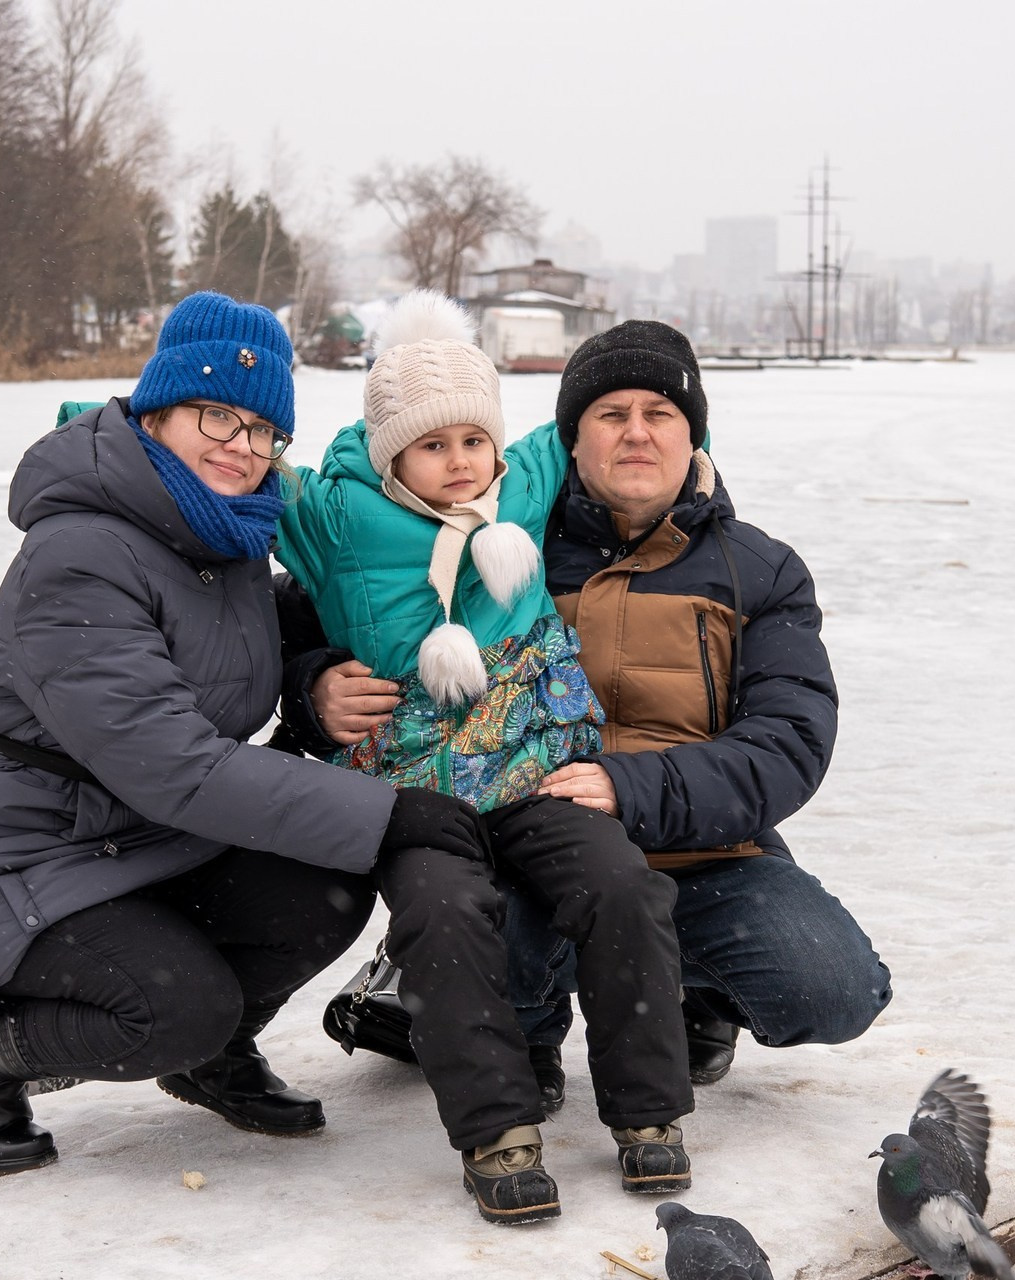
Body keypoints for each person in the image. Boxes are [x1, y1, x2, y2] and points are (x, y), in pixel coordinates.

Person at [0, 291, 471, 1178]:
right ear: (156, 411)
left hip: (141, 833)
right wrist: (388, 813)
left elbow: (242, 646)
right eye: (216, 417)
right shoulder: (78, 552)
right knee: (167, 1009)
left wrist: (310, 684)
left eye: (262, 430)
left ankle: (213, 1055)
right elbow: (172, 763)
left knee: (325, 886)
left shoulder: (220, 533)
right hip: (12, 846)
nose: (241, 448)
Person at [301, 318, 893, 1096]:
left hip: (700, 849)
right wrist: (313, 686)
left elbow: (789, 742)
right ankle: (519, 1022)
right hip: (521, 844)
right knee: (492, 925)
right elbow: (333, 601)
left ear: (696, 435)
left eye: (662, 415)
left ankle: (691, 990)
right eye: (612, 416)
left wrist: (632, 789)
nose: (637, 435)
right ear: (571, 439)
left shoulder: (758, 571)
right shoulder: (500, 527)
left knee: (833, 986)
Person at [271, 291, 693, 1226]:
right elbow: (244, 475)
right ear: (391, 454)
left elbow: (596, 418)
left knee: (622, 886)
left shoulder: (522, 489)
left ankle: (649, 1114)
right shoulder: (341, 517)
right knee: (445, 914)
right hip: (416, 790)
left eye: (474, 440)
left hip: (533, 766)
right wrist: (117, 429)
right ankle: (496, 1131)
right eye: (433, 445)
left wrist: (674, 432)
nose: (461, 463)